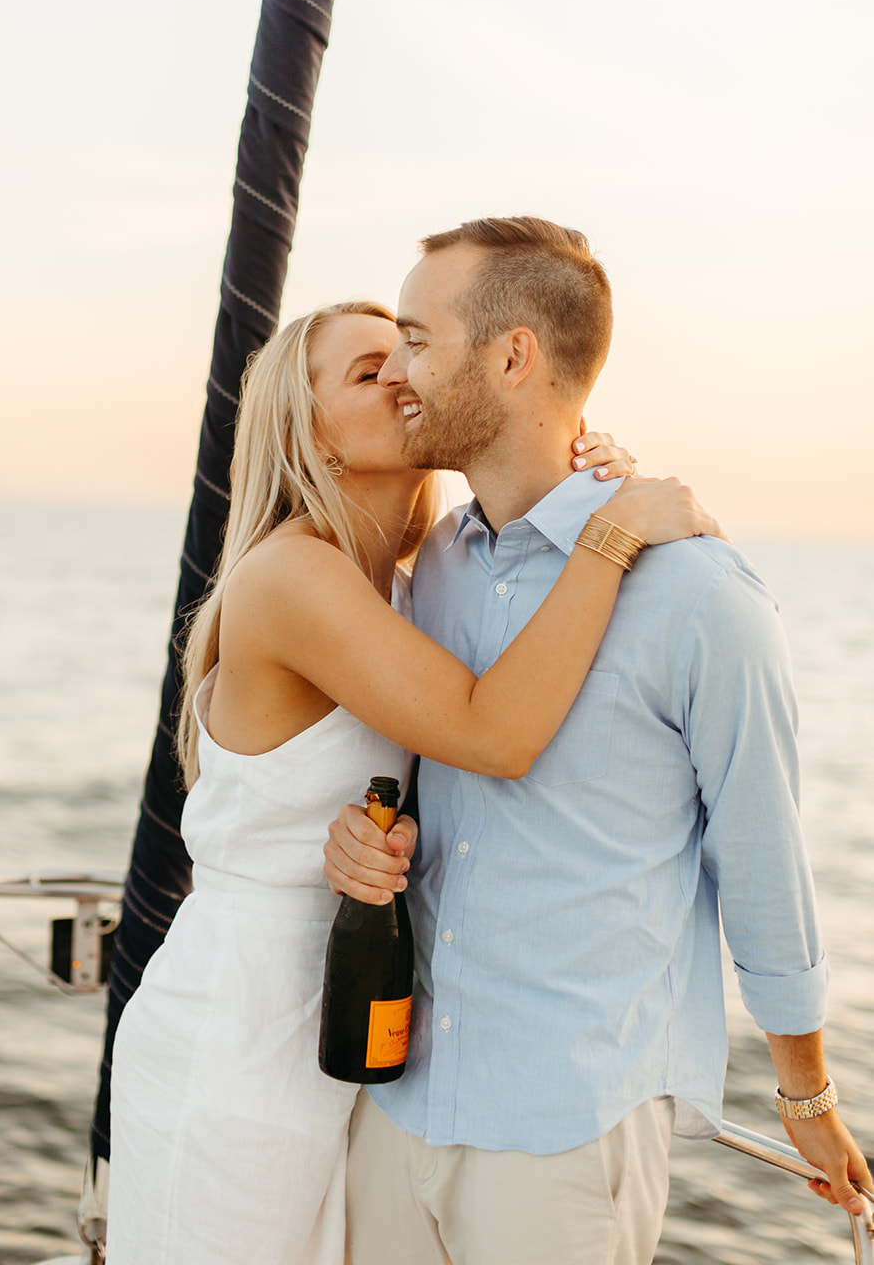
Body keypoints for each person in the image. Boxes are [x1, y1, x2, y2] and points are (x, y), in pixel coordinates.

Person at [104, 297, 719, 1265]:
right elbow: (493, 734)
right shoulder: (289, 577)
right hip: (240, 1028)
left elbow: (464, 768)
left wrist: (584, 482)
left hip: (360, 1026)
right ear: (301, 427)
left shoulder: (412, 582)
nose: (402, 376)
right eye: (362, 371)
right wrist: (608, 538)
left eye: (408, 354)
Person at [324, 217, 872, 1265]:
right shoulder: (428, 566)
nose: (396, 368)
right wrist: (354, 841)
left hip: (565, 1133)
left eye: (416, 338)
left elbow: (760, 856)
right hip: (395, 1111)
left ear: (512, 355)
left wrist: (804, 1086)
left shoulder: (703, 596)